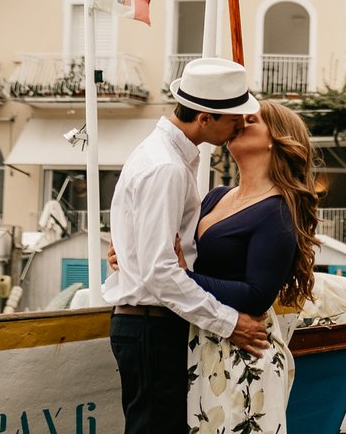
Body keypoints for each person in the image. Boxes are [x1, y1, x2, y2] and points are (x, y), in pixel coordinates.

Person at [105, 58, 269, 434]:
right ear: (205, 118)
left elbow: (147, 255)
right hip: (152, 325)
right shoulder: (167, 167)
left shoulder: (163, 157)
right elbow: (159, 271)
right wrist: (230, 323)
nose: (240, 125)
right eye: (234, 118)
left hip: (150, 323)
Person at [183, 100, 320, 434]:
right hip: (203, 337)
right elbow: (178, 249)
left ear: (275, 139)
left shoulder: (277, 211)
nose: (237, 123)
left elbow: (257, 295)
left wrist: (180, 277)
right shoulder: (216, 197)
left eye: (250, 119)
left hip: (244, 353)